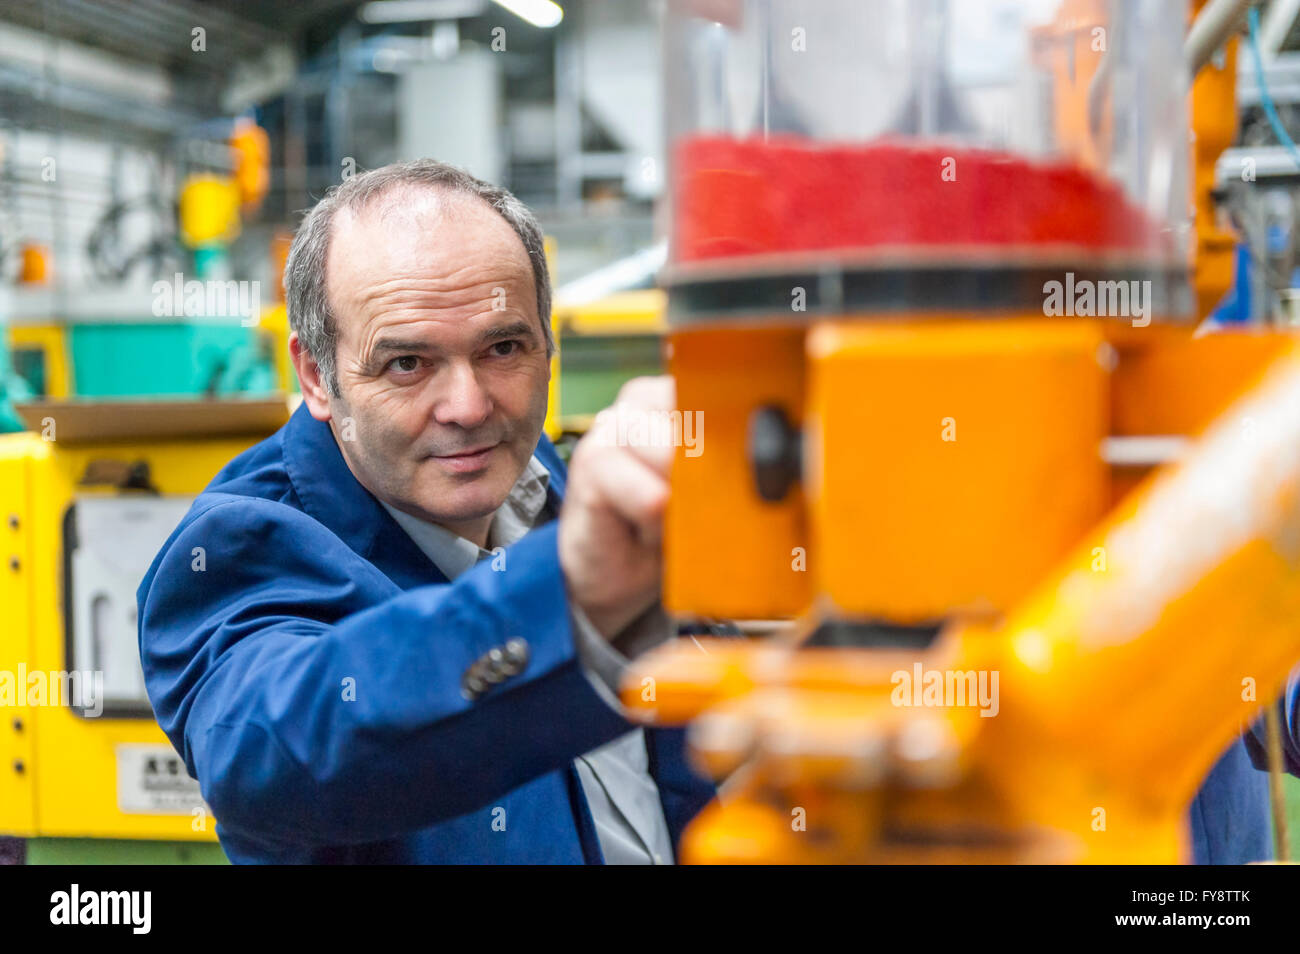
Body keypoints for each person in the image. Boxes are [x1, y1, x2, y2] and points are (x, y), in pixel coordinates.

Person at [137, 159, 714, 863]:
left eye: (503, 348)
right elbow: (281, 750)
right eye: (407, 364)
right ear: (317, 375)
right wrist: (575, 597)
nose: (469, 408)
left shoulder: (560, 485)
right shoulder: (242, 548)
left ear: (548, 343)